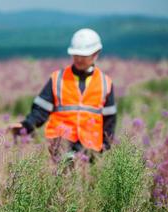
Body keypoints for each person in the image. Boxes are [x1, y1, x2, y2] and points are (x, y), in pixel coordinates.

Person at [9, 28, 116, 161]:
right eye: (76, 55)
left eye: (84, 56)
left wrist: (105, 146)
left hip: (91, 149)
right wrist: (26, 125)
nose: (79, 59)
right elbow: (40, 110)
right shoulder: (57, 78)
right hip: (60, 144)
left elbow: (109, 120)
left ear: (96, 54)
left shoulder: (105, 83)